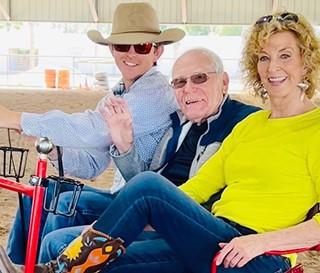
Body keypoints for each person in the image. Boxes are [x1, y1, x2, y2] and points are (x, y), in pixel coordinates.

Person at [10, 10, 320, 273]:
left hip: (258, 255)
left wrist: (261, 242)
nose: (272, 67)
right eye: (264, 57)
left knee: (147, 185)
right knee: (94, 253)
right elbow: (196, 189)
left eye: (285, 56)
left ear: (306, 63)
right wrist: (131, 219)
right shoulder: (251, 126)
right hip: (214, 236)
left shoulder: (314, 129)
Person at [36, 48, 260, 266]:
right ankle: (18, 262)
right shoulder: (177, 123)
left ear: (224, 82)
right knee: (54, 196)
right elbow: (144, 182)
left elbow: (223, 203)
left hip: (184, 224)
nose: (188, 89)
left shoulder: (245, 124)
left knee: (58, 242)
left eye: (199, 78)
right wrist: (124, 146)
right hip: (149, 208)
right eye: (180, 82)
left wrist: (113, 225)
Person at [1, 2, 185, 265]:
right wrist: (54, 149)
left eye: (141, 46)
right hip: (123, 194)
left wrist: (15, 119)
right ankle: (17, 264)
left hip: (144, 202)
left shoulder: (154, 94)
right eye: (122, 46)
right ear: (112, 49)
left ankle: (48, 268)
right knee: (43, 189)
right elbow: (93, 164)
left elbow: (91, 130)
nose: (130, 54)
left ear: (157, 51)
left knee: (66, 202)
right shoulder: (118, 94)